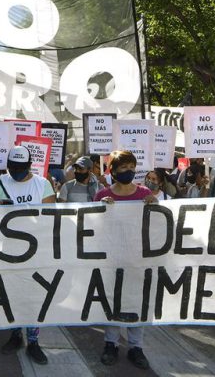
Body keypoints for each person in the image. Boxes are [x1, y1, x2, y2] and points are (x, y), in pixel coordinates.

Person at [0, 146, 55, 365]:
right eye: (12, 167)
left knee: (33, 294)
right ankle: (16, 335)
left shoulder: (42, 184)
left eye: (20, 168)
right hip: (9, 249)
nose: (16, 171)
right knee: (12, 293)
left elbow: (51, 216)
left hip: (35, 250)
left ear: (29, 165)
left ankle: (33, 341)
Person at [94, 150, 157, 370]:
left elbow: (157, 226)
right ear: (113, 171)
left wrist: (154, 204)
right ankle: (110, 343)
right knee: (113, 300)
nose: (129, 172)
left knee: (137, 300)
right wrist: (101, 208)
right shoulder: (101, 194)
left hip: (137, 257)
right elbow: (93, 227)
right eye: (123, 168)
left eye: (132, 167)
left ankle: (135, 347)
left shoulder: (144, 193)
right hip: (111, 257)